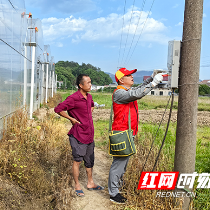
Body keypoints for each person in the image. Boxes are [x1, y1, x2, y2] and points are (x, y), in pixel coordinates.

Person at [108, 68, 163, 204]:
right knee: (119, 164)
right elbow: (138, 93)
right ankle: (113, 193)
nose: (132, 77)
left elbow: (138, 89)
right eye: (128, 75)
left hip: (127, 132)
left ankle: (118, 187)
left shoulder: (126, 91)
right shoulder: (120, 93)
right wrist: (153, 84)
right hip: (122, 133)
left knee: (123, 163)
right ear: (121, 80)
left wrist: (151, 78)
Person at [54, 74, 104, 197]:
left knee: (89, 160)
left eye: (91, 82)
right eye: (88, 82)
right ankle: (77, 185)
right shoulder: (73, 98)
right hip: (78, 135)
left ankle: (90, 183)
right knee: (77, 161)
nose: (90, 85)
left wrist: (88, 114)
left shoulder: (89, 97)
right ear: (80, 85)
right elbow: (58, 109)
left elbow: (92, 105)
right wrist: (71, 118)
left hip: (89, 134)